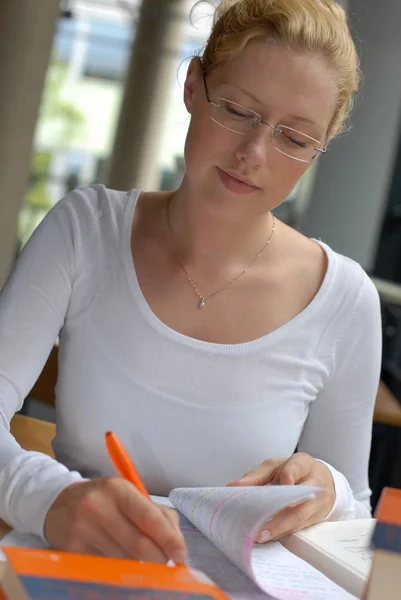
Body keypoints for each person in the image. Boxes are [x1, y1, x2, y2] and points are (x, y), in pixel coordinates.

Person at [0, 0, 381, 565]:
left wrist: (327, 490)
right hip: (70, 571)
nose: (253, 154)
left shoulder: (345, 301)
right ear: (192, 87)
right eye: (236, 110)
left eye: (295, 140)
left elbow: (356, 518)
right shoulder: (85, 230)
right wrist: (52, 499)